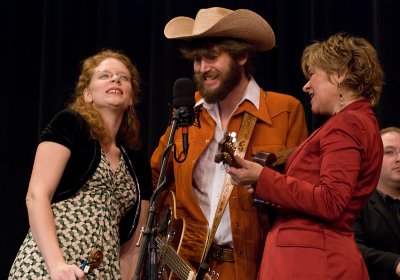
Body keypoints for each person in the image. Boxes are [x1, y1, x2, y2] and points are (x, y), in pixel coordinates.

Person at [151, 7, 308, 280]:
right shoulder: (187, 112)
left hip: (255, 268)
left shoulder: (285, 111)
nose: (202, 69)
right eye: (197, 60)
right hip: (185, 269)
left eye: (211, 57)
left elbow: (301, 193)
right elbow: (158, 182)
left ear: (242, 56)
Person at [227, 32, 385, 279]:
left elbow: (331, 201)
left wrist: (263, 178)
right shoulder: (354, 122)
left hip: (311, 262)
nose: (306, 85)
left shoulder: (348, 124)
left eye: (312, 75)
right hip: (313, 257)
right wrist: (266, 190)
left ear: (340, 74)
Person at [8, 49, 152, 279]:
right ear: (87, 94)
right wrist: (56, 265)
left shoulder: (136, 162)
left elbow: (136, 243)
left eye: (123, 77)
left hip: (105, 272)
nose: (115, 79)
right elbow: (36, 195)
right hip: (51, 263)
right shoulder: (70, 125)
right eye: (104, 75)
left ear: (131, 97)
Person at [352, 126, 400, 280]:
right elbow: (353, 248)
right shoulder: (357, 201)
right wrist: (395, 263)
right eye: (389, 152)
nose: (399, 158)